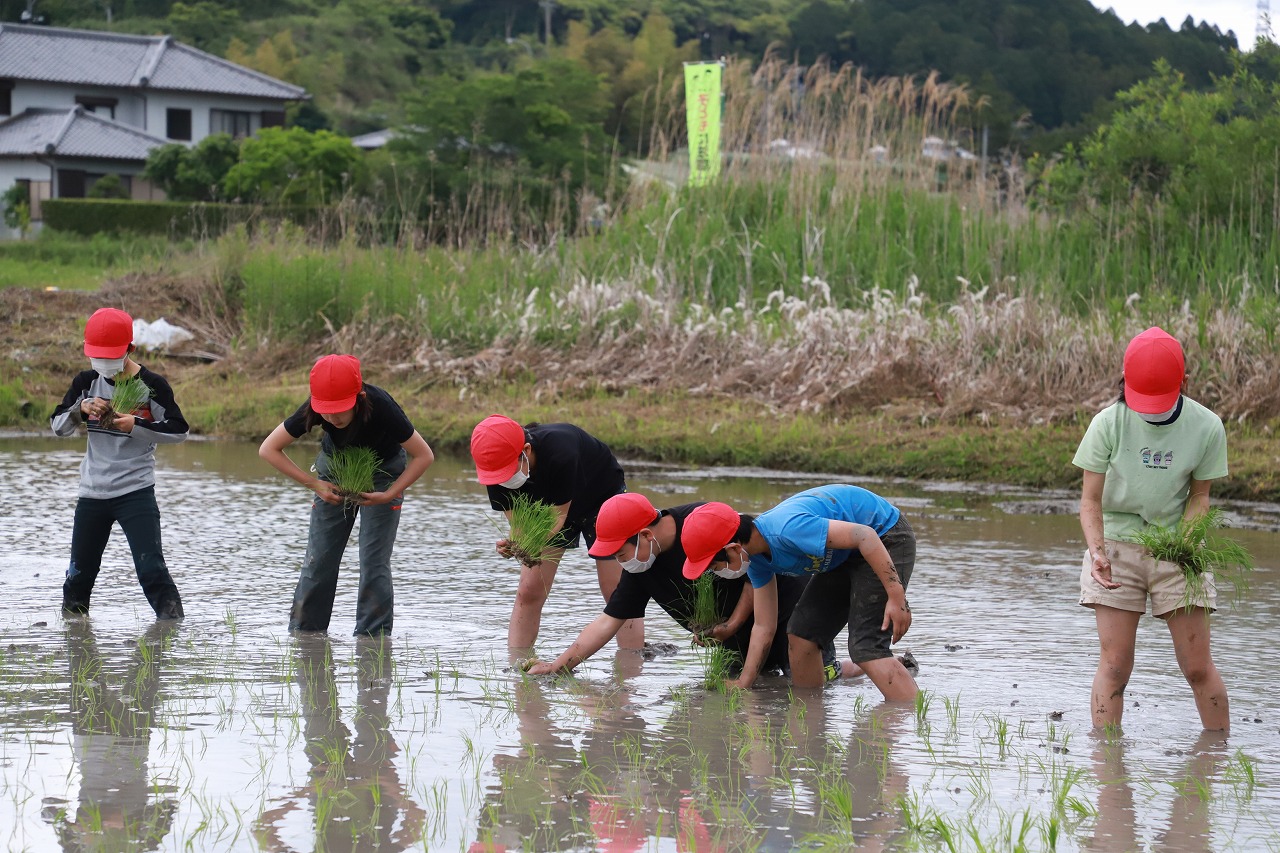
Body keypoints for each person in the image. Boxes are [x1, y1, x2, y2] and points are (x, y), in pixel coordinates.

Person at [1074, 326, 1230, 731]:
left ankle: (1218, 759)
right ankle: (1107, 768)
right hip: (1116, 548)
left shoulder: (1207, 426)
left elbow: (1200, 497)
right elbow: (1090, 501)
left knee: (1197, 667)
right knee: (1115, 664)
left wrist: (1185, 544)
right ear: (1124, 382)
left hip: (1176, 545)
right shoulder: (1107, 423)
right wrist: (1098, 552)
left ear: (1185, 382)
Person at [524, 493, 857, 681]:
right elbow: (608, 621)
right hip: (734, 639)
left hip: (785, 609)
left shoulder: (703, 524)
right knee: (740, 692)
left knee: (817, 680)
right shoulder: (641, 564)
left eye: (619, 552)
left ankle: (878, 668)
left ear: (645, 536)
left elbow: (756, 563)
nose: (618, 561)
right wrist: (559, 665)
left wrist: (734, 623)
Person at [680, 485, 919, 700]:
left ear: (733, 548)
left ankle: (918, 720)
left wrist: (897, 598)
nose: (715, 572)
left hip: (885, 536)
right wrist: (744, 683)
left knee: (866, 648)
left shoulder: (787, 530)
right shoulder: (757, 559)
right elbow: (764, 626)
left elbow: (865, 536)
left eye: (714, 565)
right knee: (801, 636)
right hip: (846, 554)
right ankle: (810, 716)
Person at [259, 354, 434, 636]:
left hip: (383, 472)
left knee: (373, 561)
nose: (331, 417)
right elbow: (268, 449)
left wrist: (389, 493)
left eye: (339, 409)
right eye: (325, 410)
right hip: (335, 471)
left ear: (359, 397)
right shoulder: (315, 408)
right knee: (319, 559)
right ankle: (305, 636)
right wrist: (314, 484)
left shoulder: (383, 407)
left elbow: (424, 455)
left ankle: (372, 641)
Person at [52, 307, 188, 619]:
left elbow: (179, 430)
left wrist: (135, 426)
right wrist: (82, 410)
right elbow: (58, 426)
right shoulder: (85, 383)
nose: (102, 364)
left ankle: (172, 637)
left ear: (130, 350)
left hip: (135, 492)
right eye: (96, 356)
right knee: (78, 577)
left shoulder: (152, 385)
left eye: (109, 356)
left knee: (152, 570)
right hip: (92, 494)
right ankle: (75, 643)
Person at [470, 414, 641, 649]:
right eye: (496, 476)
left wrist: (527, 544)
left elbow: (558, 517)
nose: (502, 480)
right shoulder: (495, 472)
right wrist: (516, 543)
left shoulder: (562, 451)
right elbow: (520, 525)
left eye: (507, 471)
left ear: (526, 450)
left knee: (615, 589)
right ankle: (517, 666)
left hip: (601, 498)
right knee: (529, 590)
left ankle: (632, 662)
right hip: (549, 509)